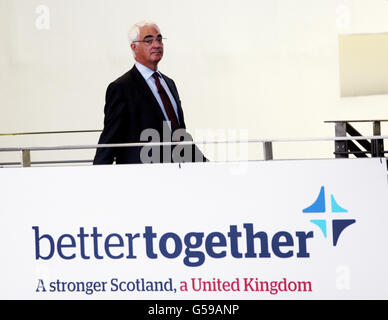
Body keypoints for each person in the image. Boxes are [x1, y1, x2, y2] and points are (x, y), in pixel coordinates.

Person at [93, 20, 206, 165]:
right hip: (143, 177)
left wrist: (206, 165)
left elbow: (179, 136)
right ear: (134, 47)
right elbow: (109, 139)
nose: (157, 45)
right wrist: (97, 178)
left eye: (159, 39)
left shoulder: (169, 84)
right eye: (149, 41)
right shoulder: (121, 88)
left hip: (177, 174)